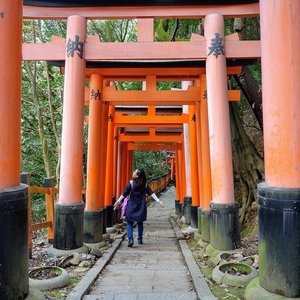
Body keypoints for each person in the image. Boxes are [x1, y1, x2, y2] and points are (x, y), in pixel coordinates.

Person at [114, 169, 164, 247]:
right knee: (140, 223)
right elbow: (151, 193)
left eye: (135, 172)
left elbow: (124, 194)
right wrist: (159, 201)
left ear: (138, 176)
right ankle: (140, 239)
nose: (133, 172)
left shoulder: (131, 183)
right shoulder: (145, 184)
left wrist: (117, 201)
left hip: (131, 206)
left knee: (129, 223)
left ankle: (130, 239)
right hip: (141, 206)